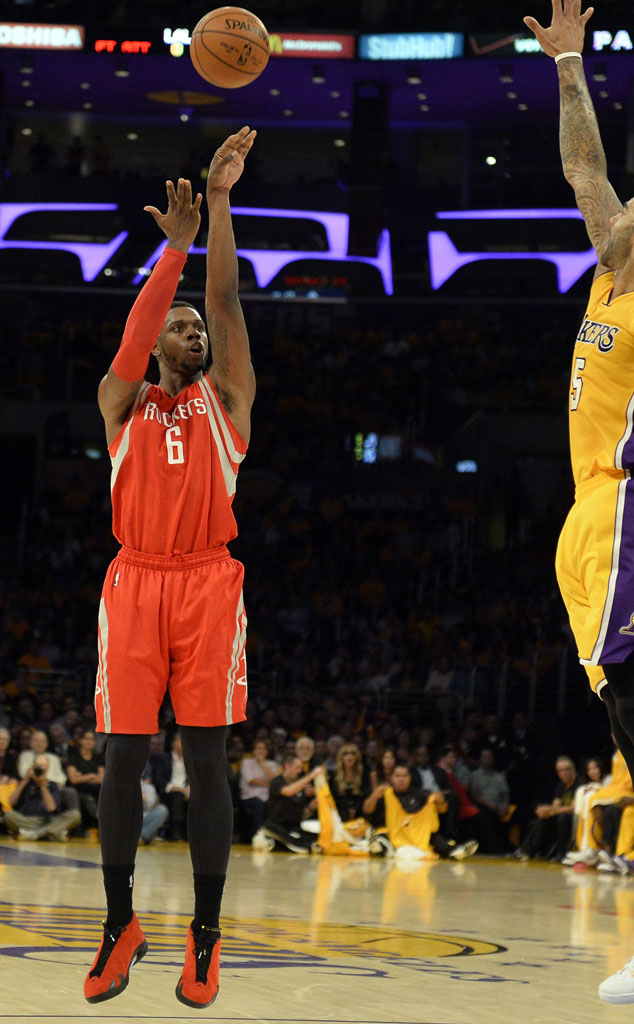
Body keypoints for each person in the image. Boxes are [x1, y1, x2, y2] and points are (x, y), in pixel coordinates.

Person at [524, 1, 634, 1012]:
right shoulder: (607, 284)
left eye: (620, 211)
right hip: (589, 518)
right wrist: (569, 64)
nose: (603, 209)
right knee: (621, 710)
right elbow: (583, 171)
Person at [84, 127, 257, 1010]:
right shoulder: (122, 402)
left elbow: (225, 301)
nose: (192, 331)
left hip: (205, 583)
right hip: (135, 581)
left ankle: (205, 936)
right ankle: (120, 924)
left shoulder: (229, 400)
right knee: (121, 758)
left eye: (197, 330)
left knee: (206, 760)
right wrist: (173, 249)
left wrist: (218, 208)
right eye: (179, 327)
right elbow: (137, 325)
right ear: (160, 345)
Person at [4, 753, 81, 840]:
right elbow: (11, 802)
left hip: (50, 820)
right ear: (32, 767)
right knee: (9, 816)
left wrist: (43, 786)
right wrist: (25, 780)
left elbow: (51, 808)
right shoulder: (25, 783)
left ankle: (36, 834)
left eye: (43, 767)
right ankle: (51, 833)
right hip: (29, 821)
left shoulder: (53, 785)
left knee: (75, 815)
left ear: (47, 768)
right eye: (38, 766)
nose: (40, 769)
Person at [262, 754, 324, 853]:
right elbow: (289, 791)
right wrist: (312, 775)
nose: (300, 771)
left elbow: (302, 815)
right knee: (303, 845)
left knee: (317, 838)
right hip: (278, 825)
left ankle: (277, 844)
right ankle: (270, 839)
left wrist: (311, 808)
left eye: (301, 768)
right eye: (297, 767)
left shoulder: (301, 789)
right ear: (287, 766)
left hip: (293, 826)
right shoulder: (277, 782)